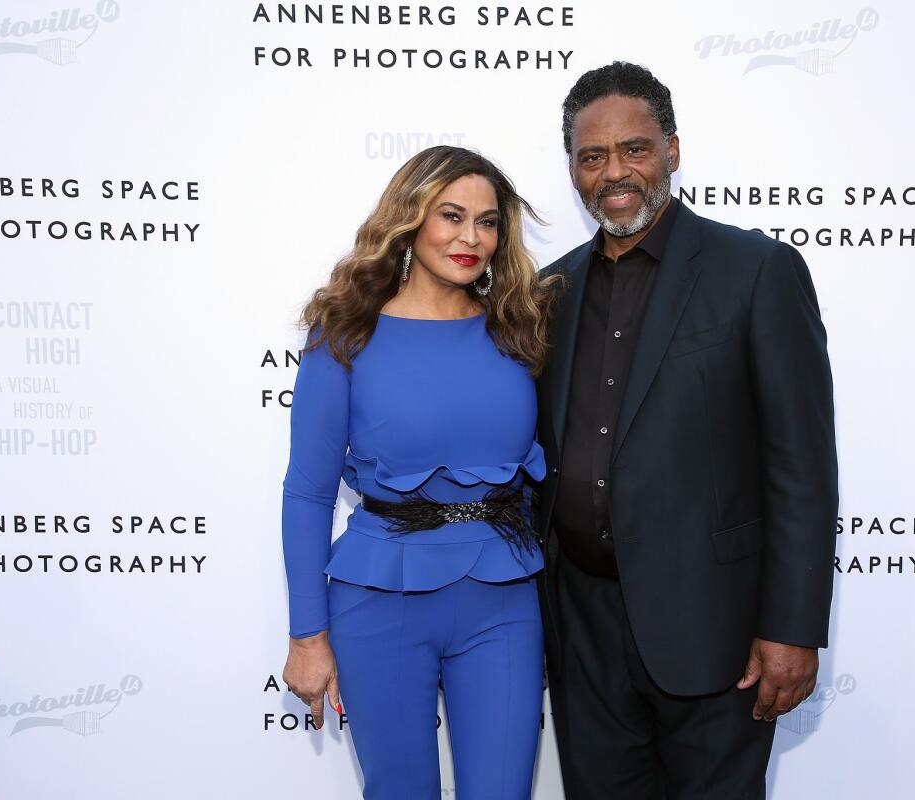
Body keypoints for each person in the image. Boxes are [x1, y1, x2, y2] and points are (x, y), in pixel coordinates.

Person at [534, 62, 839, 799]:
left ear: (673, 150)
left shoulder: (756, 270)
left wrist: (794, 628)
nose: (615, 172)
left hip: (716, 632)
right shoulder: (551, 292)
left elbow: (801, 466)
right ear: (573, 168)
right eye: (592, 155)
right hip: (584, 631)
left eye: (634, 148)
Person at [280, 145, 557, 800]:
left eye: (487, 222)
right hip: (380, 603)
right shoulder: (344, 336)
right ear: (411, 218)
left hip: (505, 602)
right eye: (451, 215)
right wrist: (306, 634)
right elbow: (308, 493)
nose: (471, 238)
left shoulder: (520, 329)